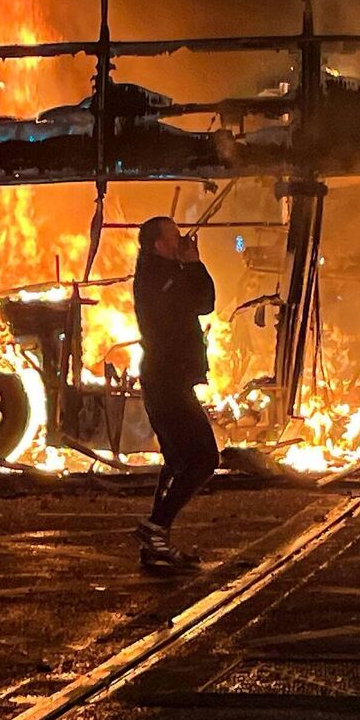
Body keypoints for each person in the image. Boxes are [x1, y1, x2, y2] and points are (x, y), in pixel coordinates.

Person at [132, 216, 221, 571]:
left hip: (168, 380)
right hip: (168, 382)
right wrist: (194, 263)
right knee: (204, 458)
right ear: (158, 245)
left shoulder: (161, 273)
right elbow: (204, 302)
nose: (181, 239)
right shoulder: (161, 278)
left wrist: (187, 265)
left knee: (177, 459)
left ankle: (156, 539)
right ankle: (156, 526)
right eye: (174, 236)